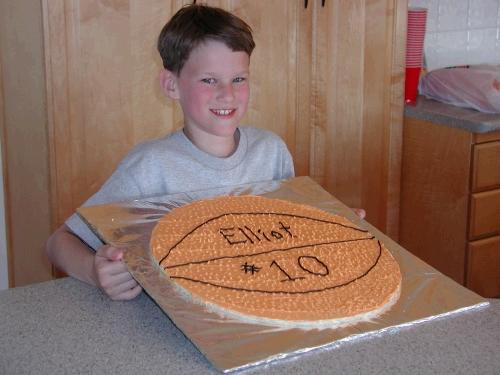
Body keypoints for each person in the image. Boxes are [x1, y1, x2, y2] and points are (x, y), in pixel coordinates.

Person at [46, 4, 295, 301]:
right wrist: (94, 271)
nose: (227, 94)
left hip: (261, 308)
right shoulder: (150, 167)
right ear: (171, 85)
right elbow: (59, 242)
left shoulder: (271, 152)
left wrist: (338, 229)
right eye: (209, 80)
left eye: (238, 79)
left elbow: (292, 237)